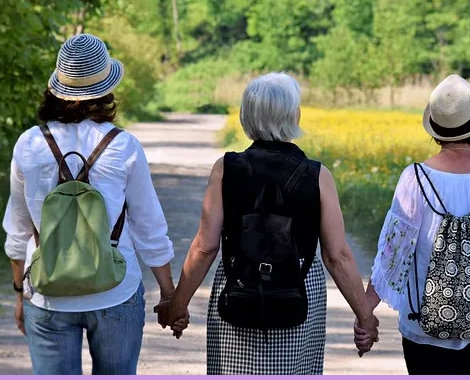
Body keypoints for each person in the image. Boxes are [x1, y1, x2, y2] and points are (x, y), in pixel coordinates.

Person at [155, 72, 379, 374]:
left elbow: (205, 247)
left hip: (239, 284)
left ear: (246, 116)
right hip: (299, 288)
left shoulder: (226, 168)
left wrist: (178, 303)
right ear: (294, 116)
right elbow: (336, 256)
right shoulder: (318, 175)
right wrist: (365, 317)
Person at [3, 33, 180, 375]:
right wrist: (169, 293)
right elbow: (149, 228)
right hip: (116, 290)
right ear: (106, 89)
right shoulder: (123, 145)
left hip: (48, 293)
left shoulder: (29, 144)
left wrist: (19, 293)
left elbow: (18, 229)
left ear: (57, 89)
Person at [355, 74, 470, 375]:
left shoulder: (414, 178)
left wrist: (365, 314)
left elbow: (393, 256)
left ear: (436, 129)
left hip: (424, 329)